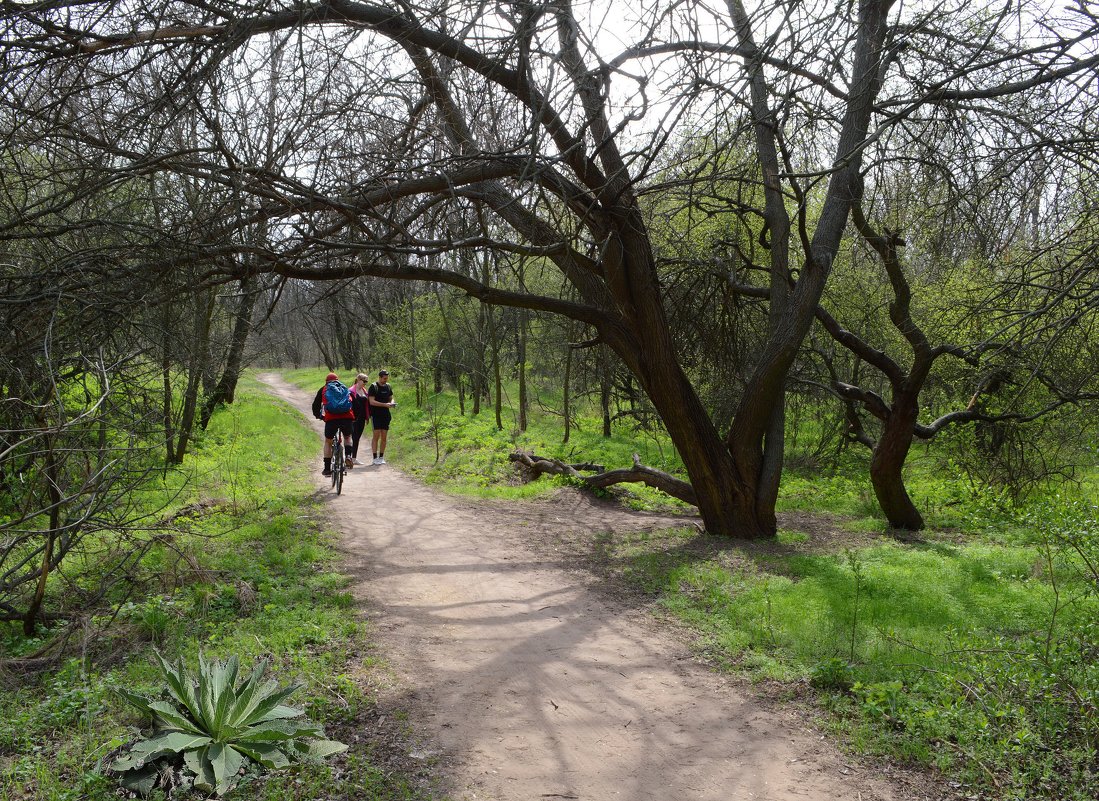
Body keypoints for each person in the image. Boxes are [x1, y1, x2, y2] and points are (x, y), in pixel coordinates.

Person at [311, 372, 356, 477]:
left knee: (328, 441)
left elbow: (315, 405)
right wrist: (354, 417)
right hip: (347, 418)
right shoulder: (344, 388)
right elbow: (356, 404)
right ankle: (348, 456)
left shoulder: (324, 389)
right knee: (348, 437)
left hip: (331, 419)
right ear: (337, 380)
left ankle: (327, 469)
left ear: (326, 381)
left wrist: (319, 416)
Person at [367, 369, 396, 465]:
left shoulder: (388, 386)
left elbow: (391, 398)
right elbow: (371, 401)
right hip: (376, 414)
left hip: (386, 415)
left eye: (387, 378)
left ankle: (381, 457)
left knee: (384, 436)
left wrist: (391, 403)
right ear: (379, 377)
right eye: (384, 378)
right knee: (376, 436)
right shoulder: (373, 386)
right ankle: (375, 458)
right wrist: (385, 405)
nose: (385, 380)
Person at [350, 373, 371, 465]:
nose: (365, 383)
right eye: (364, 381)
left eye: (366, 381)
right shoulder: (351, 391)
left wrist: (367, 417)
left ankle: (353, 458)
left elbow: (367, 405)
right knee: (353, 437)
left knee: (357, 438)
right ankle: (348, 457)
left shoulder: (364, 391)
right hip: (352, 417)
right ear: (358, 380)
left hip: (362, 417)